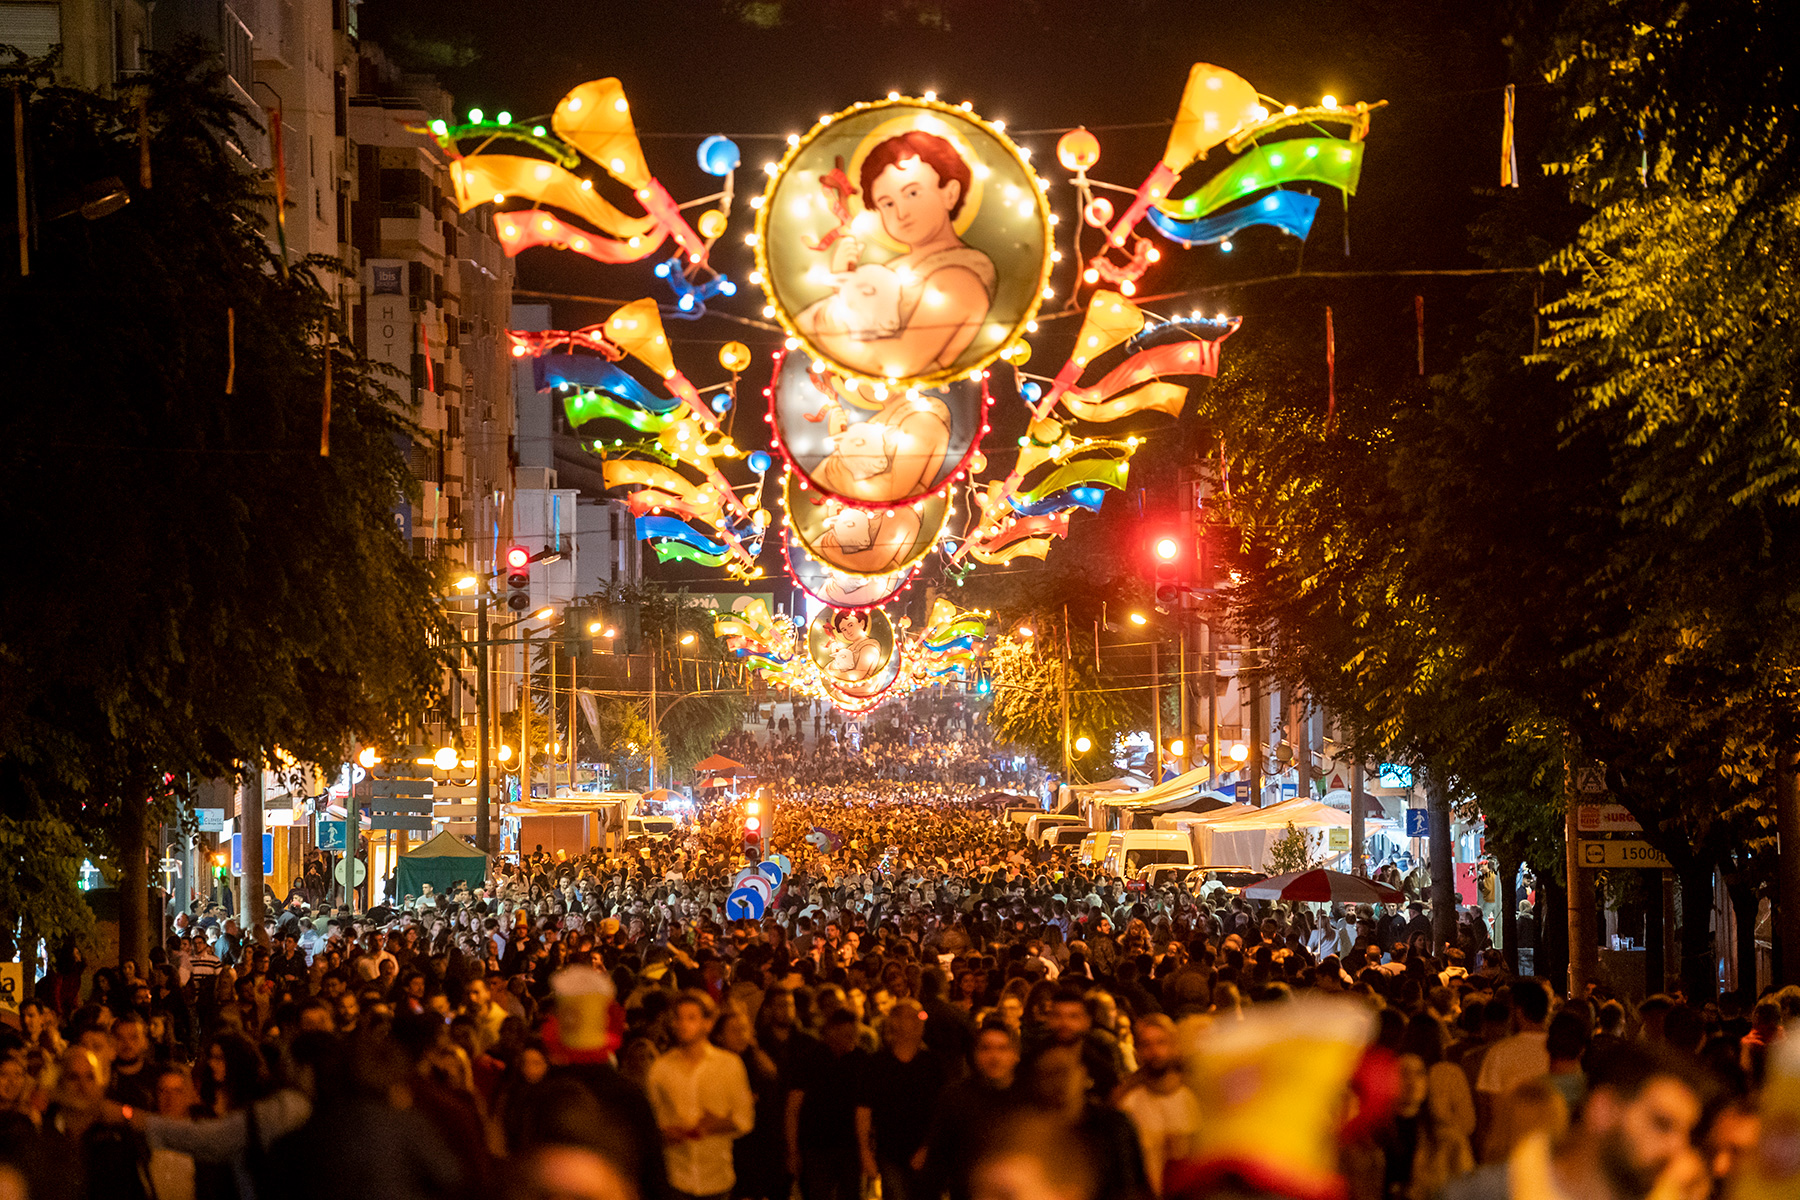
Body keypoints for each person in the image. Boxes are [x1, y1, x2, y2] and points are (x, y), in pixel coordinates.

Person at [1446, 1043, 1710, 1200]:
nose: (1678, 1148)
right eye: (1662, 1124)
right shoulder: (1480, 1194)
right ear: (1603, 1110)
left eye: (1687, 1133)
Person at [646, 991, 754, 1200]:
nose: (683, 1024)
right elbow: (650, 1120)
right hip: (677, 1177)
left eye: (692, 1018)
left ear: (708, 1023)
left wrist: (715, 1125)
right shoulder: (661, 1069)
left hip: (716, 1177)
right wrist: (665, 1134)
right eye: (679, 1018)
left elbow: (745, 1118)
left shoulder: (729, 1066)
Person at [856, 1001, 949, 1200]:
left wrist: (927, 1148)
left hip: (926, 1154)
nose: (920, 1021)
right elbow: (864, 1110)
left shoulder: (933, 1064)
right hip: (890, 1154)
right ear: (896, 1023)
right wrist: (865, 1152)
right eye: (913, 1016)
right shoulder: (878, 1064)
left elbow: (943, 1112)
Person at [922, 1021, 1021, 1200]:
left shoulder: (1030, 1098)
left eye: (1002, 1048)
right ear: (975, 1054)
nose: (994, 1056)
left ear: (1015, 1054)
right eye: (986, 1048)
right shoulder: (955, 1097)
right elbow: (938, 1159)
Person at [788, 1008, 870, 1200]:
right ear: (832, 1032)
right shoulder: (810, 1059)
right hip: (816, 1147)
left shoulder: (862, 1060)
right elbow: (793, 1109)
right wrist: (793, 1151)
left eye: (853, 1034)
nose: (852, 1039)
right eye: (846, 1035)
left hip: (851, 1147)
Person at [1113, 1015, 1199, 1197]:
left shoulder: (1195, 1096)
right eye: (1147, 1044)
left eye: (1161, 1043)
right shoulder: (1127, 1102)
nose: (1155, 1051)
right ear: (1137, 1051)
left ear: (1173, 1046)